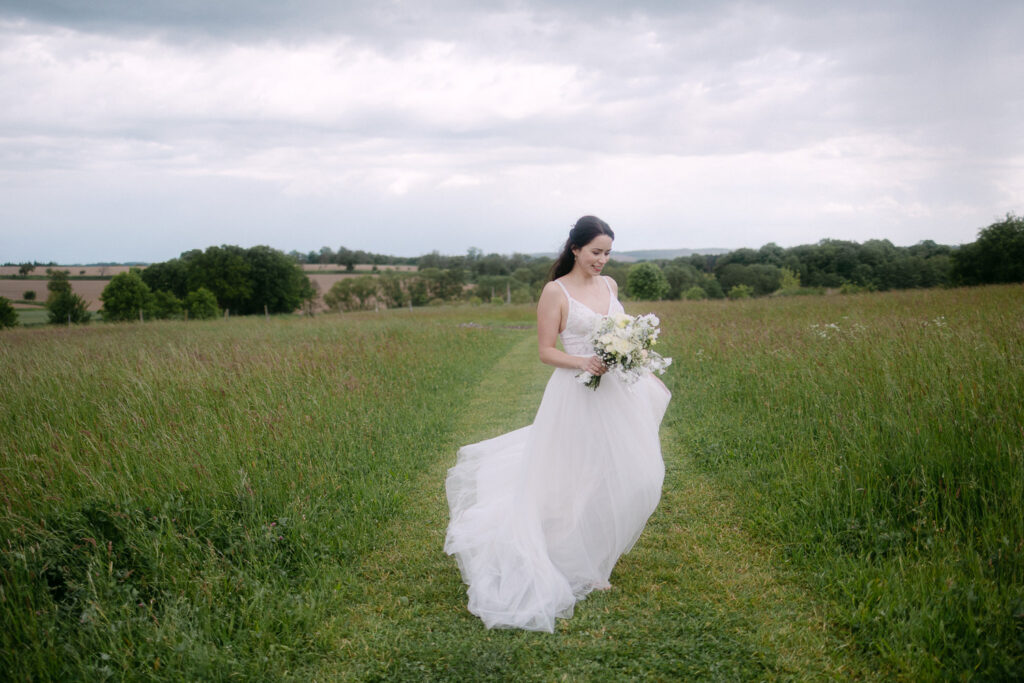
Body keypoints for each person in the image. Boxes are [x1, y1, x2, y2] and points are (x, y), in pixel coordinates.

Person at [444, 215, 671, 632]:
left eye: (607, 253)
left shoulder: (610, 285)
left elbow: (620, 331)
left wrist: (632, 354)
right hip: (576, 392)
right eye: (596, 252)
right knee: (576, 474)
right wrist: (584, 361)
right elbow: (546, 350)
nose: (602, 260)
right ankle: (581, 562)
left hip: (618, 394)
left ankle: (597, 555)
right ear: (575, 248)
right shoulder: (556, 291)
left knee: (633, 474)